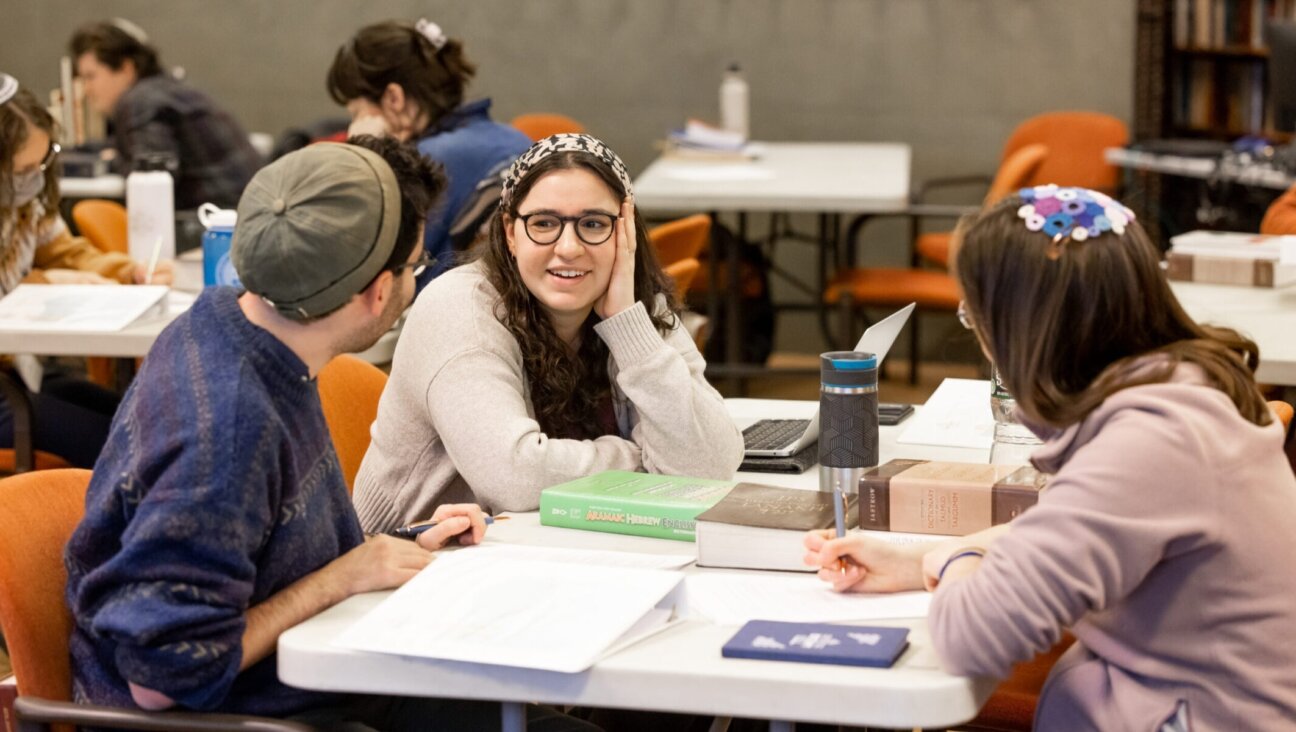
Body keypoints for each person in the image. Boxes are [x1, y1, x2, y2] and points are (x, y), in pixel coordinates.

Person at [65, 137, 595, 732]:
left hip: (313, 684)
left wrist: (398, 545)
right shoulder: (231, 426)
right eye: (415, 267)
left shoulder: (233, 324)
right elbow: (159, 677)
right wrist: (343, 577)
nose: (415, 285)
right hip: (237, 716)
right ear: (375, 294)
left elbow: (262, 544)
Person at [804, 186, 1296, 730]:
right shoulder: (1184, 390)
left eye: (974, 316)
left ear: (1022, 330)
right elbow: (1072, 532)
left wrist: (953, 563)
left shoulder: (1149, 443)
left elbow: (971, 638)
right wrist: (923, 556)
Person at [353, 133, 744, 531]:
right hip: (413, 564)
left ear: (624, 232)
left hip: (557, 549)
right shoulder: (460, 309)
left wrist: (628, 326)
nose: (569, 247)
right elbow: (513, 479)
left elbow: (709, 468)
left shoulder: (635, 305)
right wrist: (644, 458)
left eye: (593, 224)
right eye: (544, 223)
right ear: (510, 232)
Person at [0, 72, 172, 467]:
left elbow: (66, 253)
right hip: (7, 388)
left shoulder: (27, 204)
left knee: (147, 423)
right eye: (23, 170)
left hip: (20, 373)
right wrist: (42, 282)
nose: (36, 179)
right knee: (126, 450)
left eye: (44, 160)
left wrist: (126, 271)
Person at [327, 17, 532, 288]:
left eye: (357, 113)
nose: (354, 123)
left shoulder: (425, 161)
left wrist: (365, 157)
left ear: (393, 99)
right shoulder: (513, 136)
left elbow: (360, 264)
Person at [69, 19, 262, 209]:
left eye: (90, 77)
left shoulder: (139, 101)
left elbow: (151, 179)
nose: (86, 90)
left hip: (215, 223)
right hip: (241, 214)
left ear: (126, 68)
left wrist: (113, 161)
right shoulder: (163, 91)